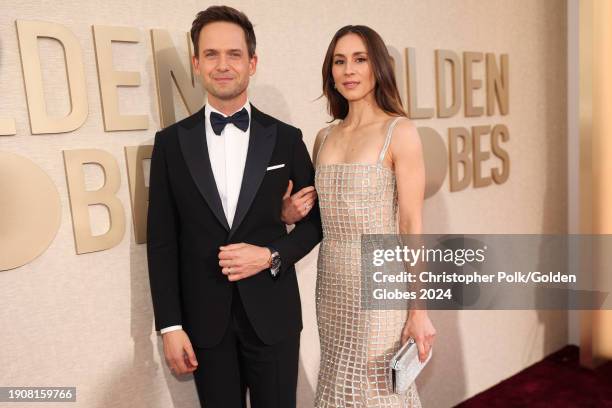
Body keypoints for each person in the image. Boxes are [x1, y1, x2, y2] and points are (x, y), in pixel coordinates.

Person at [146, 6, 322, 408]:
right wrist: (170, 325)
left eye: (234, 54)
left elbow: (316, 225)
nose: (222, 65)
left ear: (252, 62)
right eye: (211, 54)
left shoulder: (286, 138)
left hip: (273, 317)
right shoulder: (170, 144)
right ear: (196, 63)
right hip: (204, 324)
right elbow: (161, 242)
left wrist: (271, 255)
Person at [285, 25, 436, 407]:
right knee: (338, 383)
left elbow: (411, 225)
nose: (348, 70)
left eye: (359, 59)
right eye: (339, 61)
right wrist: (288, 214)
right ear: (330, 72)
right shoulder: (324, 137)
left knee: (376, 388)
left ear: (377, 67)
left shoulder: (399, 131)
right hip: (332, 281)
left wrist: (418, 309)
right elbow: (319, 215)